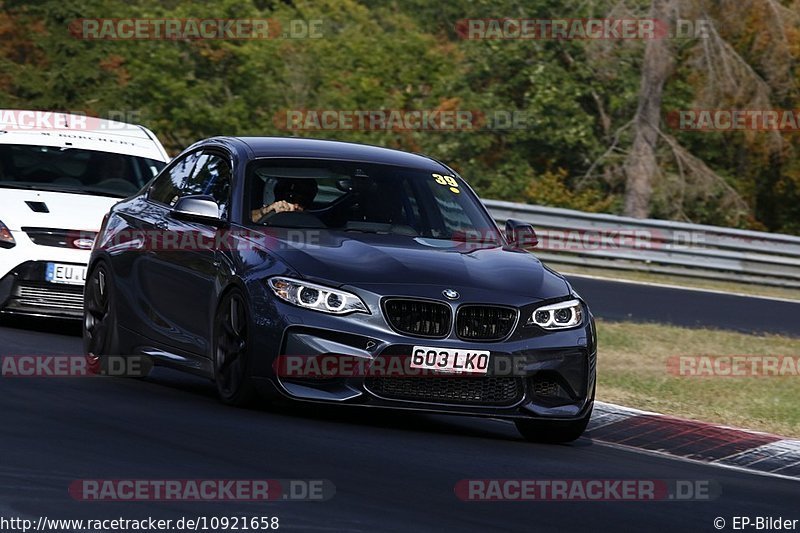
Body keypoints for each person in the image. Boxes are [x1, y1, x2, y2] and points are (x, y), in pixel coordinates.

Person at [252, 178, 318, 223]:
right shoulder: (270, 211)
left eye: (303, 201)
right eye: (291, 197)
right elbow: (245, 222)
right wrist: (265, 212)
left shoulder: (315, 222)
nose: (296, 205)